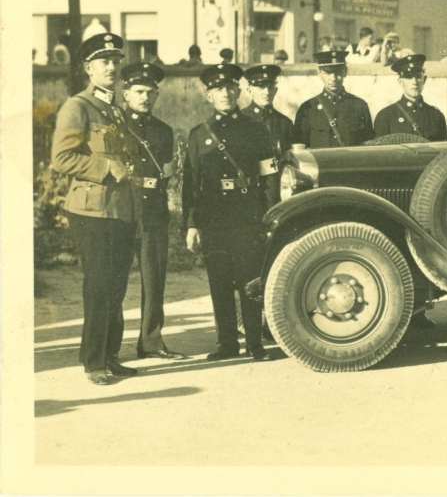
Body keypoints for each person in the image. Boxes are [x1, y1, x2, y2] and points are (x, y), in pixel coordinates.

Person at [51, 32, 141, 385]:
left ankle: (109, 354)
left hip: (120, 210)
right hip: (91, 212)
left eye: (116, 60)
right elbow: (62, 158)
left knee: (116, 287)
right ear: (89, 68)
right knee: (99, 285)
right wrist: (105, 168)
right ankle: (93, 363)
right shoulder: (78, 106)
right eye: (104, 61)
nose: (112, 67)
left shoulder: (115, 108)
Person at [182, 64, 280, 361]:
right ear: (208, 94)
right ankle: (227, 343)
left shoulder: (256, 129)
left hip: (246, 214)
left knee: (250, 280)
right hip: (213, 217)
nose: (224, 94)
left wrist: (271, 216)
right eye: (217, 89)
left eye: (229, 88)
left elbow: (270, 178)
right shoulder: (199, 134)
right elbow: (190, 183)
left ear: (238, 91)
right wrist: (191, 224)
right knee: (219, 279)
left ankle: (255, 343)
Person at [119, 62, 187, 361]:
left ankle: (151, 341)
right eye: (138, 91)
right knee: (114, 282)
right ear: (126, 94)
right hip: (121, 211)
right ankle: (107, 348)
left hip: (154, 211)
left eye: (150, 92)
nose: (144, 97)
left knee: (154, 279)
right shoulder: (117, 126)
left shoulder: (164, 131)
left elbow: (167, 174)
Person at [292, 50, 375, 148]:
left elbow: (369, 146)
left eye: (338, 72)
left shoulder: (359, 106)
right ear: (319, 74)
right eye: (327, 73)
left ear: (345, 72)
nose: (334, 78)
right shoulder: (308, 108)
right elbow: (299, 147)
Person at [373, 54, 447, 141]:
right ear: (400, 82)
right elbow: (379, 151)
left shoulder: (436, 116)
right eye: (409, 77)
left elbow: (443, 152)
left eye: (418, 77)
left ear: (424, 80)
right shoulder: (386, 116)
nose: (414, 82)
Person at [242, 64, 294, 156]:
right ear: (249, 91)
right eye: (261, 88)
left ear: (275, 90)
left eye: (270, 87)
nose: (267, 92)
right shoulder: (240, 120)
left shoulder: (285, 123)